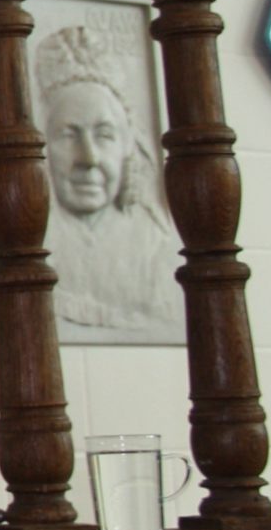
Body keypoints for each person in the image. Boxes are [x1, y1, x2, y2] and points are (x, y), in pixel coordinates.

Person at [36, 24, 180, 334]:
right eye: (68, 135)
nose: (88, 158)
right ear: (42, 145)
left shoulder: (154, 247)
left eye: (104, 135)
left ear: (128, 144)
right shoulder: (24, 243)